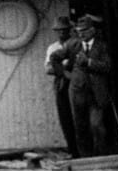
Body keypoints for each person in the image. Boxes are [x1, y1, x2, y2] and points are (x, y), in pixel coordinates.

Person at [62, 13, 112, 157]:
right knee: (81, 127)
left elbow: (108, 66)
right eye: (79, 31)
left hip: (96, 94)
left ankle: (101, 157)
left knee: (96, 125)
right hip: (78, 93)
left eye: (84, 31)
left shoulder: (102, 46)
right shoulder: (73, 45)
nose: (81, 34)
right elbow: (55, 58)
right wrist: (66, 75)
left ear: (92, 31)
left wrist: (89, 62)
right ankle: (86, 157)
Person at [44, 16, 78, 155]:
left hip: (76, 82)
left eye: (64, 30)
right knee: (65, 117)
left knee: (79, 117)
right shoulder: (53, 48)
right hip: (62, 83)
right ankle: (72, 149)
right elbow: (47, 69)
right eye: (59, 30)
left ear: (69, 30)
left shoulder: (76, 44)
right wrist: (63, 71)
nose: (62, 33)